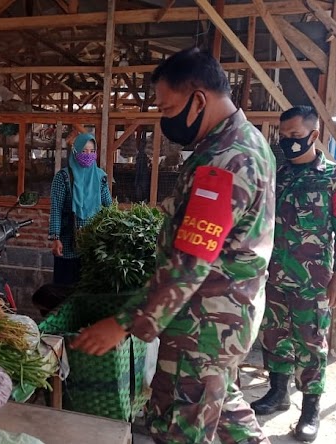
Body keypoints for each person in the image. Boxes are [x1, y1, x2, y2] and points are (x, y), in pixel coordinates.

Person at [71, 48, 276, 444]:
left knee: (177, 426)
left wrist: (124, 323)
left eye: (167, 110)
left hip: (203, 324)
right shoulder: (249, 142)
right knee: (221, 400)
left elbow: (189, 262)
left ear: (198, 99)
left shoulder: (225, 160)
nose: (166, 120)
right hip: (229, 316)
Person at [251, 106, 336, 442]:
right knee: (274, 336)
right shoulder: (277, 175)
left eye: (295, 136)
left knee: (312, 342)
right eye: (283, 137)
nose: (288, 142)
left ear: (314, 136)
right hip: (274, 276)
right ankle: (278, 392)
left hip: (314, 280)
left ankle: (311, 409)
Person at [48, 132, 112, 286]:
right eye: (84, 151)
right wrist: (55, 238)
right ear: (75, 152)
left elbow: (109, 206)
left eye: (91, 151)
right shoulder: (63, 177)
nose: (88, 155)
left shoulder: (100, 177)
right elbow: (55, 208)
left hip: (92, 242)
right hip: (68, 241)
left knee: (86, 287)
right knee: (65, 287)